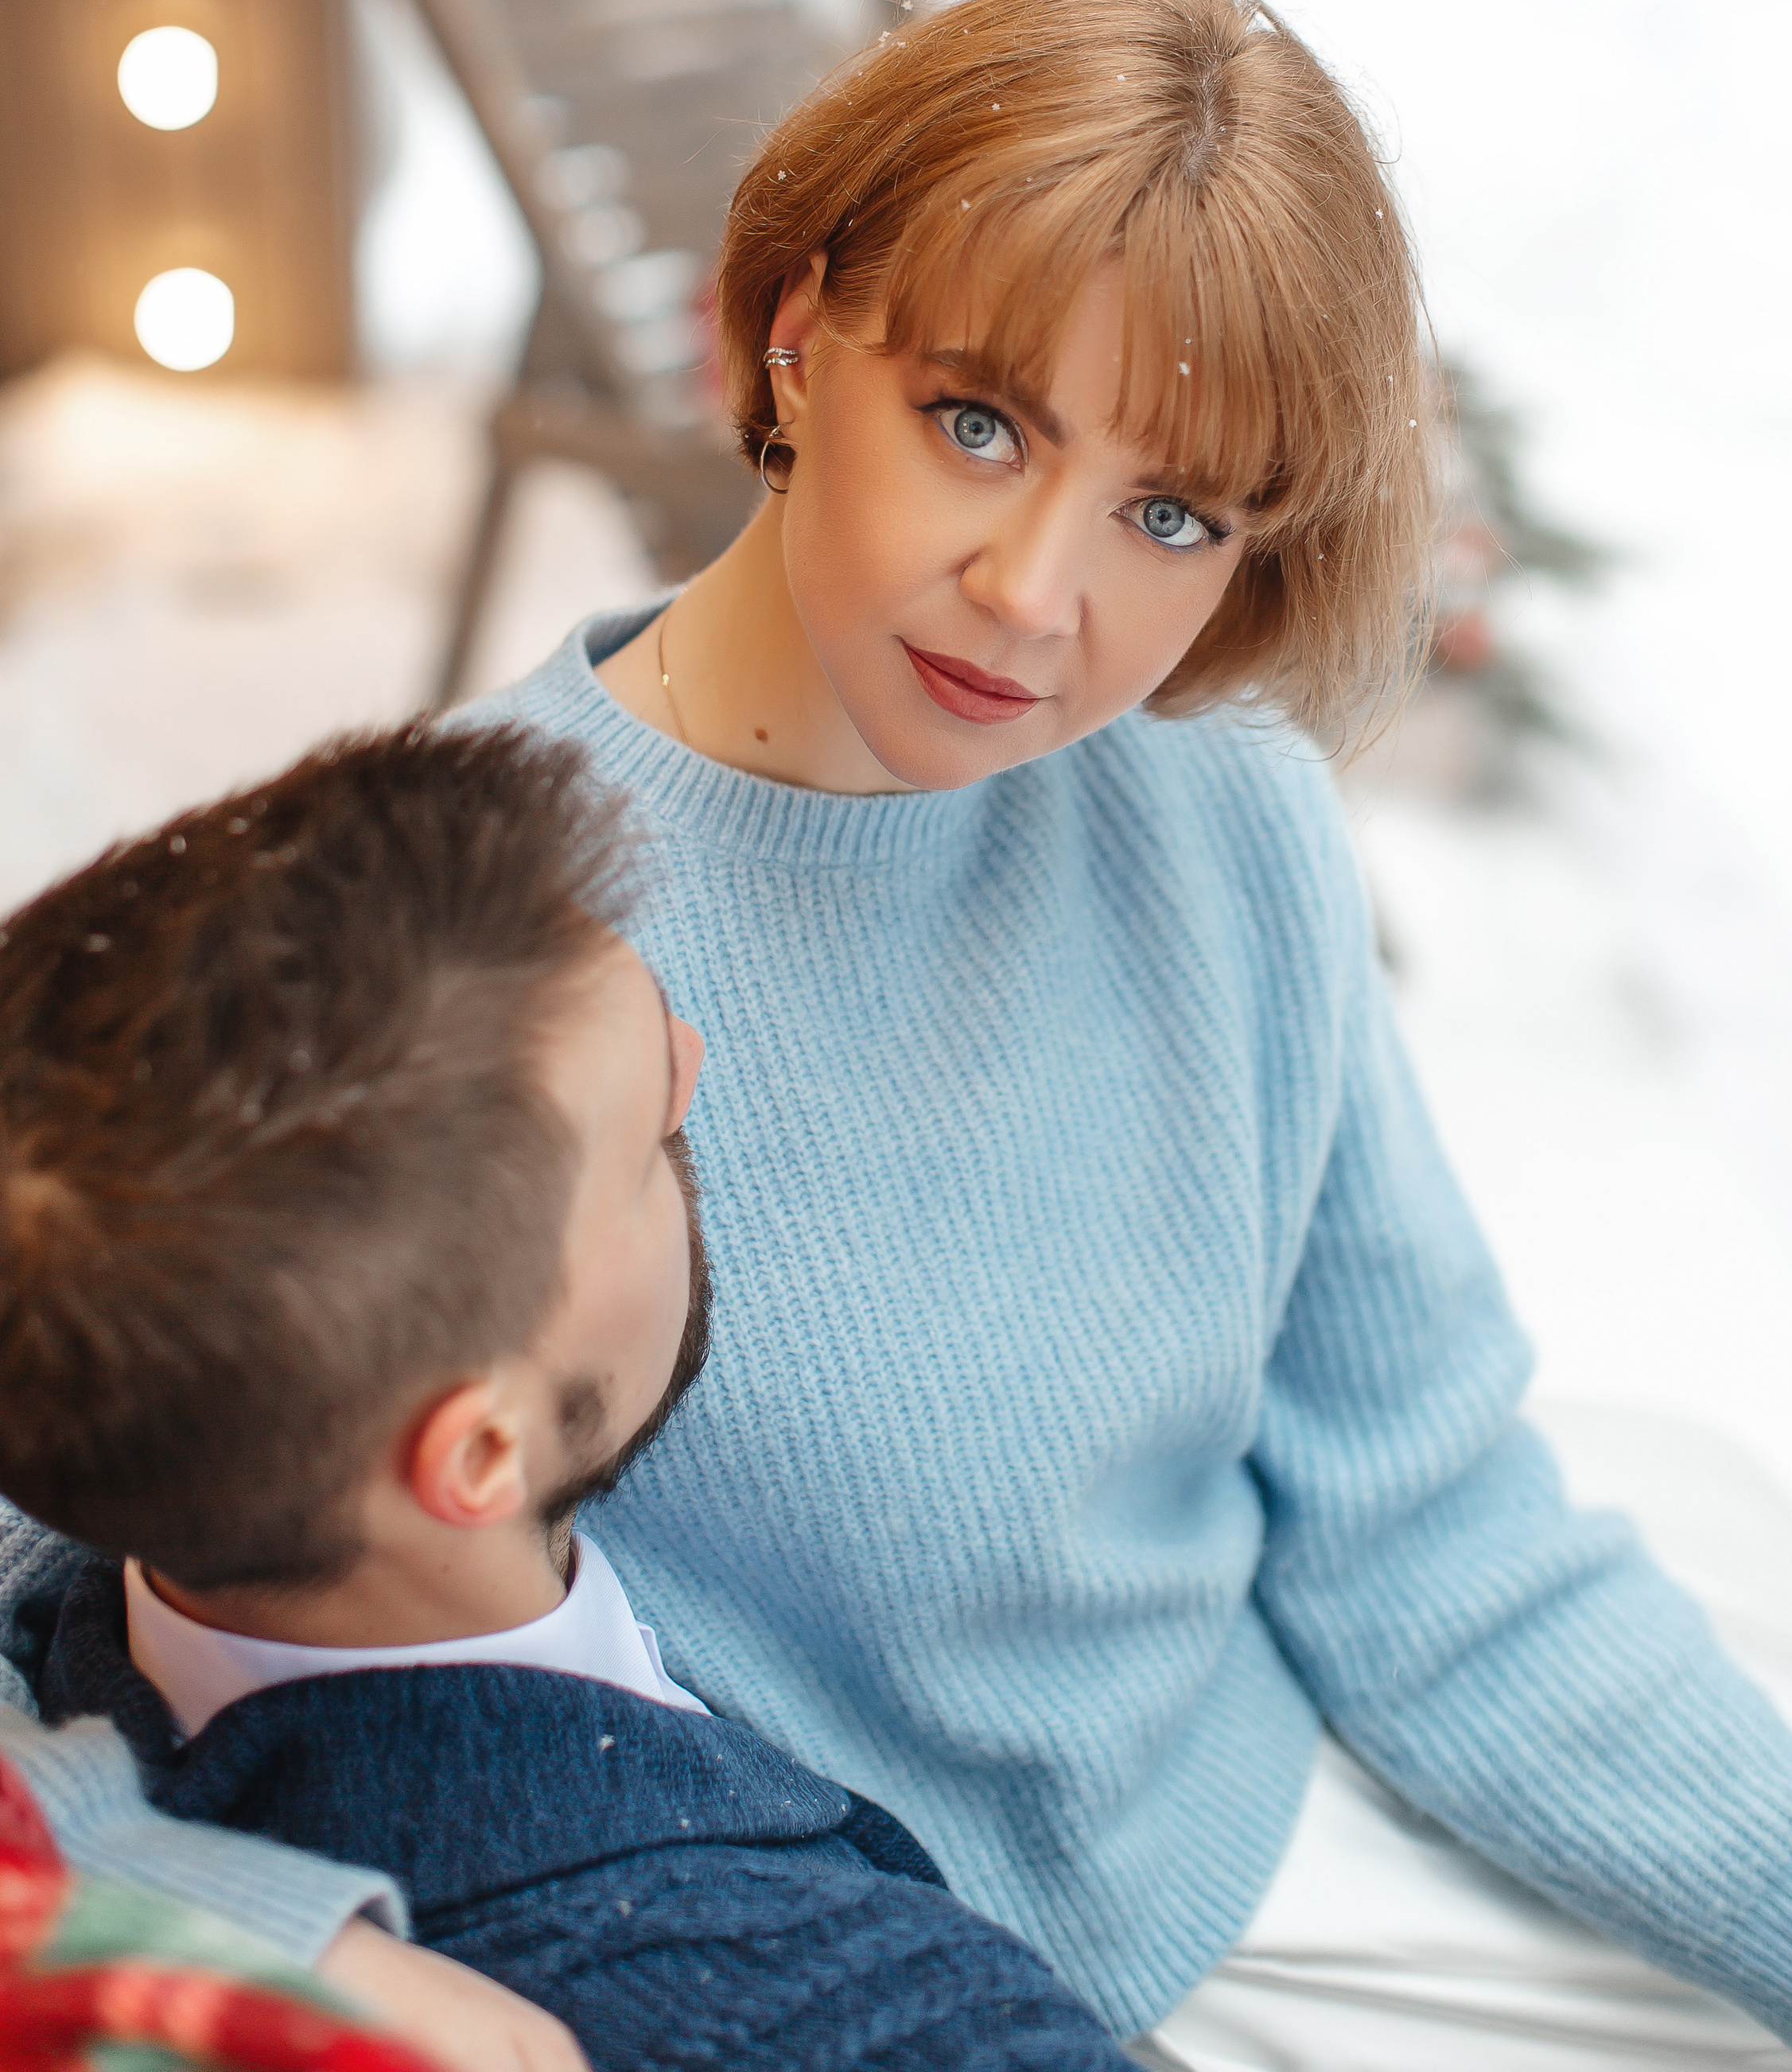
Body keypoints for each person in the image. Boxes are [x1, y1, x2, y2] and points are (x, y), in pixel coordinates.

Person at [4, 0, 1792, 2072]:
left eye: (1172, 513)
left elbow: (1428, 1529)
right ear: (798, 335)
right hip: (835, 1979)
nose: (1040, 595)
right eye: (979, 425)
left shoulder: (1227, 821)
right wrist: (277, 1927)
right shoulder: (465, 944)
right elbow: (71, 1534)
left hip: (1290, 1817)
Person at [0, 723, 1132, 2072]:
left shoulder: (83, 1514)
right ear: (479, 1452)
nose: (695, 1061)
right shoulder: (875, 2018)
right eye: (647, 1140)